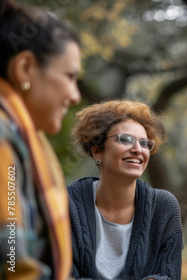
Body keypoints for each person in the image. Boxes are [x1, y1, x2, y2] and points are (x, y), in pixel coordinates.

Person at [0, 0, 81, 279]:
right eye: (69, 76)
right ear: (25, 68)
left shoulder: (23, 134)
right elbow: (12, 263)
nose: (75, 95)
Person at [68, 100, 183, 280]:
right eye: (125, 140)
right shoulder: (66, 204)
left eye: (145, 143)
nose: (138, 149)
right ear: (97, 151)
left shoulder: (164, 207)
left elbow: (168, 276)